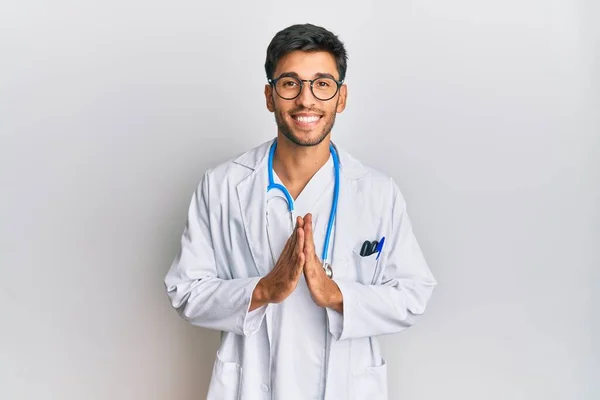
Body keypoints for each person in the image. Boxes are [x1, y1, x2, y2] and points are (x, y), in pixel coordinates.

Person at [164, 23, 437, 400]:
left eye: (322, 84)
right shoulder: (222, 185)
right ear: (269, 96)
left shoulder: (377, 192)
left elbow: (413, 294)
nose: (306, 100)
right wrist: (263, 289)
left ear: (340, 98)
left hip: (346, 384)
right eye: (290, 83)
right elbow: (185, 292)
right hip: (252, 384)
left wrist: (336, 295)